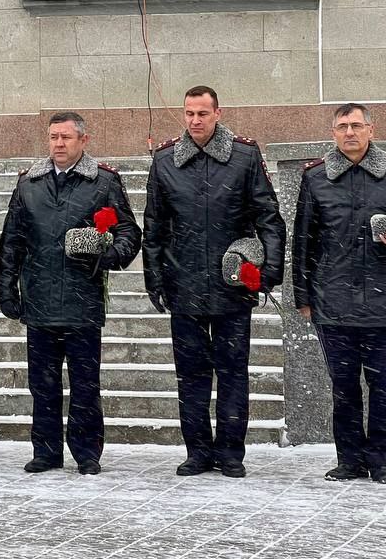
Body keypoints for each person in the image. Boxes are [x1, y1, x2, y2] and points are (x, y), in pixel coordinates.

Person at [142, 86, 285, 478]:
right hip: (183, 284)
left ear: (218, 113)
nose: (195, 121)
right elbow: (154, 225)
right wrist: (154, 278)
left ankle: (231, 453)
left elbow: (268, 218)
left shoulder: (243, 156)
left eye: (203, 113)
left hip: (232, 286)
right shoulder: (166, 160)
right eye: (189, 113)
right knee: (191, 375)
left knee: (233, 372)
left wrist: (267, 273)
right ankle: (198, 452)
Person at [0, 112, 141, 475]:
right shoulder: (29, 183)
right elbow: (11, 240)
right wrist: (6, 288)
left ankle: (86, 452)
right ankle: (45, 451)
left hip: (82, 301)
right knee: (42, 385)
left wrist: (107, 253)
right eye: (53, 137)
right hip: (40, 300)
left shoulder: (104, 182)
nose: (58, 144)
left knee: (85, 385)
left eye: (66, 138)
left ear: (83, 141)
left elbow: (129, 233)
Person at [292, 103, 386, 484]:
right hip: (331, 301)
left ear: (371, 129)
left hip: (382, 300)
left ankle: (382, 461)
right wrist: (302, 297)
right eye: (342, 126)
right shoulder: (316, 178)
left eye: (356, 125)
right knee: (343, 386)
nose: (349, 132)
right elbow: (303, 241)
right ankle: (349, 459)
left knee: (383, 385)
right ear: (333, 132)